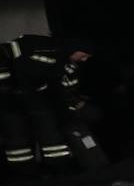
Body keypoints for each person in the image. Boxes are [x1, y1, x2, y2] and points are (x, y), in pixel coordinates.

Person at [0, 35, 91, 176]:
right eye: (83, 55)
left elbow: (66, 88)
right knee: (16, 135)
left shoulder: (68, 64)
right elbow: (4, 52)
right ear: (74, 49)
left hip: (37, 96)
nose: (84, 59)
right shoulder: (40, 45)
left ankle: (61, 168)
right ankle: (23, 173)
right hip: (11, 98)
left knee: (50, 132)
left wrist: (72, 105)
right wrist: (6, 84)